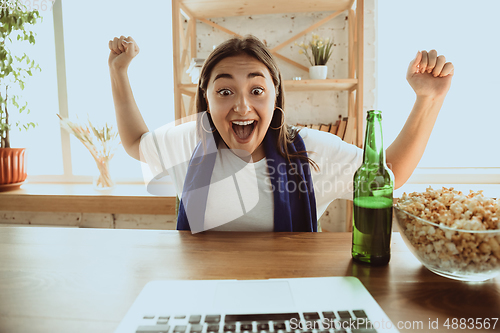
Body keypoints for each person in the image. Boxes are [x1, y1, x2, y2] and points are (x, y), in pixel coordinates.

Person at [108, 35, 454, 233]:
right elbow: (136, 142)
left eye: (256, 90)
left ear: (275, 95)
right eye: (225, 91)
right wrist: (118, 71)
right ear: (206, 98)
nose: (242, 108)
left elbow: (387, 173)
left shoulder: (313, 152)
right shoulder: (188, 143)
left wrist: (430, 99)